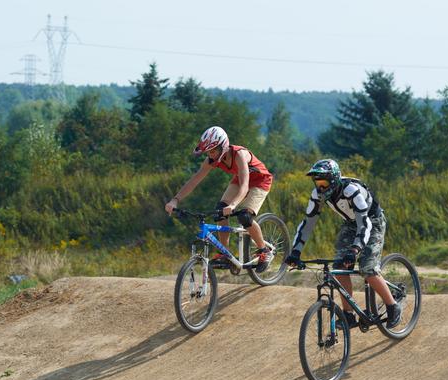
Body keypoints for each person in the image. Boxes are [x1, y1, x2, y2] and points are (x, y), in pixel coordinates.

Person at [284, 159, 402, 329]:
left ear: (334, 179)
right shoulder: (317, 194)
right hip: (350, 224)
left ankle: (393, 307)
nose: (320, 187)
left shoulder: (351, 190)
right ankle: (348, 315)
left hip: (372, 222)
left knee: (367, 267)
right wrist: (296, 251)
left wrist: (355, 249)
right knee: (340, 267)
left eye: (323, 182)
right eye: (317, 182)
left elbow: (365, 223)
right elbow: (307, 224)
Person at [165, 126, 275, 271]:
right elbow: (194, 180)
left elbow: (244, 186)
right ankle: (224, 254)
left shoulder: (239, 154)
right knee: (220, 211)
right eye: (207, 152)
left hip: (260, 181)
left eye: (212, 151)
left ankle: (264, 251)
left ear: (223, 145)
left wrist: (234, 204)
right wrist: (175, 199)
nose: (210, 155)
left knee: (244, 216)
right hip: (240, 180)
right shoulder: (212, 160)